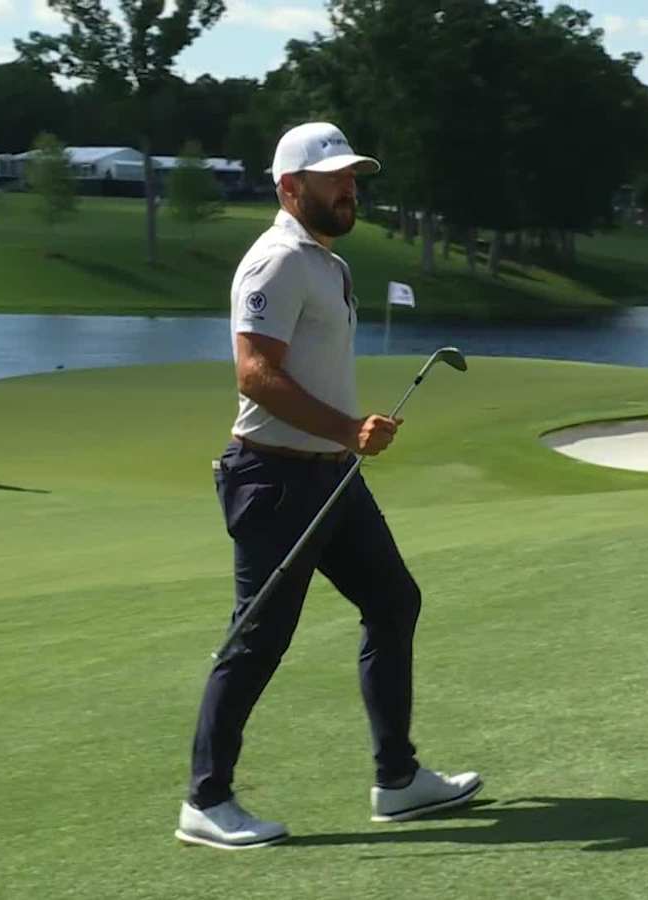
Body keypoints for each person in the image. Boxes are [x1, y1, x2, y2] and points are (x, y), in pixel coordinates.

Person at [176, 122, 481, 851]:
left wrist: (342, 442)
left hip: (330, 476)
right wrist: (347, 429)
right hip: (273, 477)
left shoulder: (328, 263)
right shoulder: (276, 261)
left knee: (392, 599)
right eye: (334, 179)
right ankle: (205, 800)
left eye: (352, 178)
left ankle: (398, 780)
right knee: (259, 638)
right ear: (291, 189)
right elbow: (254, 372)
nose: (350, 189)